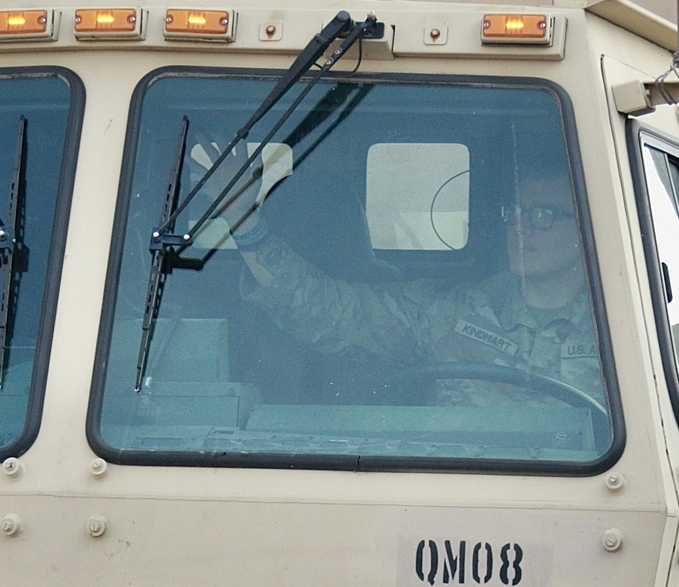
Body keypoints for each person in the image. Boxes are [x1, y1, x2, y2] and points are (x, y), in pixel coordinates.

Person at [203, 147, 604, 410]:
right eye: (515, 212)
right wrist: (245, 222)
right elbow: (332, 312)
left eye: (542, 216)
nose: (520, 228)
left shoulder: (619, 331)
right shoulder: (453, 310)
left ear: (584, 229)